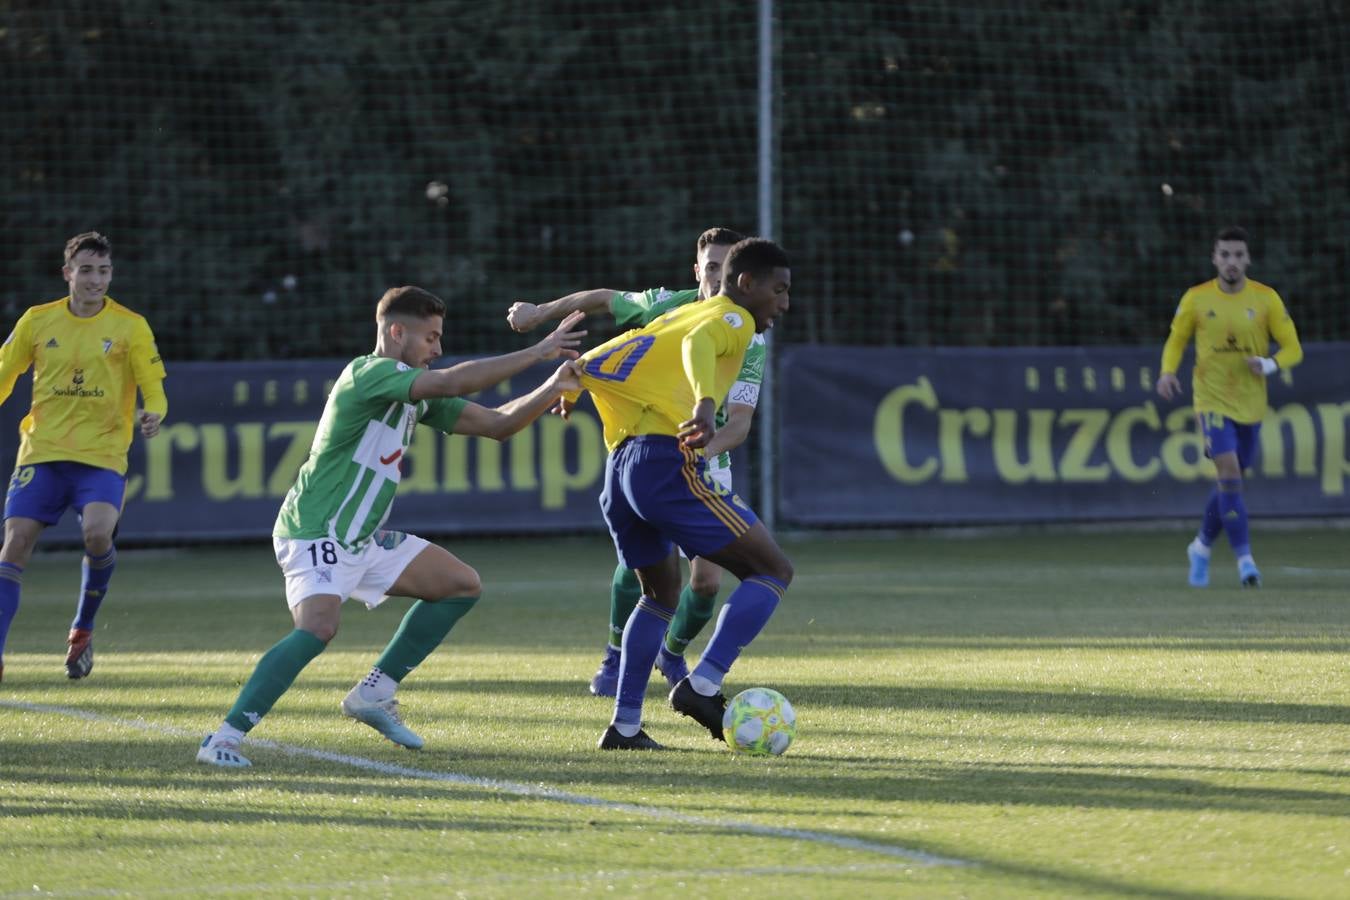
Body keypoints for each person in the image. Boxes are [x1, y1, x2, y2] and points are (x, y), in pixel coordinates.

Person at [196, 287, 585, 768]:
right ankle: (225, 738)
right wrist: (538, 351)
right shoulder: (368, 374)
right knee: (318, 627)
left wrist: (555, 384)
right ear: (396, 332)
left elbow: (496, 424)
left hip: (359, 538)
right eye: (431, 337)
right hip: (316, 530)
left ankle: (373, 695)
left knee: (461, 585)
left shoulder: (412, 392)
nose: (438, 350)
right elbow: (448, 383)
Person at [507, 227, 765, 696]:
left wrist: (700, 452)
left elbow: (741, 422)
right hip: (650, 446)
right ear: (698, 271)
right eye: (710, 267)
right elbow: (605, 298)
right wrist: (540, 312)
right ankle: (615, 656)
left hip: (702, 454)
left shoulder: (750, 337)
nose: (716, 277)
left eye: (726, 269)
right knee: (647, 560)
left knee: (706, 581)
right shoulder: (671, 305)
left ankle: (670, 654)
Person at [558, 237, 793, 750]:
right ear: (746, 284)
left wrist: (573, 382)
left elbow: (612, 351)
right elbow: (699, 346)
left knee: (660, 595)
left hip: (620, 468)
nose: (784, 304)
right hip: (663, 461)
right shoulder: (734, 320)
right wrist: (708, 402)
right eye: (778, 290)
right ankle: (702, 685)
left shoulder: (673, 316)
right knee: (773, 570)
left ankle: (623, 728)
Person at [0, 232, 167, 683]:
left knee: (97, 534)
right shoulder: (38, 321)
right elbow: (4, 373)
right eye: (87, 270)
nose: (96, 280)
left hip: (102, 454)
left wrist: (154, 412)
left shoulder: (131, 326)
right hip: (42, 451)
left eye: (104, 270)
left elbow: (153, 388)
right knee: (14, 545)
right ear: (67, 273)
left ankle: (83, 628)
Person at [1156, 226, 1302, 588]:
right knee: (1230, 475)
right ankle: (1245, 562)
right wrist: (1166, 372)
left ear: (1247, 259)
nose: (1232, 262)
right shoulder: (1196, 298)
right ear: (1214, 258)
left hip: (1251, 405)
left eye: (1238, 255)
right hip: (1211, 401)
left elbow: (1293, 348)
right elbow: (1176, 340)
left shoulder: (1266, 299)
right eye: (1225, 254)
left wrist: (1269, 364)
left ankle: (1201, 547)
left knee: (1229, 483)